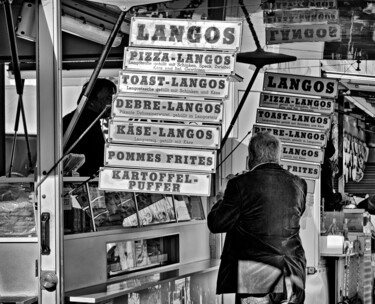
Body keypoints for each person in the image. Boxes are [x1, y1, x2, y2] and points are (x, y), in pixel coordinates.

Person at [207, 131, 307, 304]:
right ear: (278, 157)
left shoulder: (239, 185)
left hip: (257, 274)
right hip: (293, 272)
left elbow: (217, 223)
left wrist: (222, 197)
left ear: (250, 157)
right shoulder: (299, 184)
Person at [63, 78, 117, 177]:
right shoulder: (79, 123)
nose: (113, 103)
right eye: (109, 98)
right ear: (91, 100)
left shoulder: (90, 121)